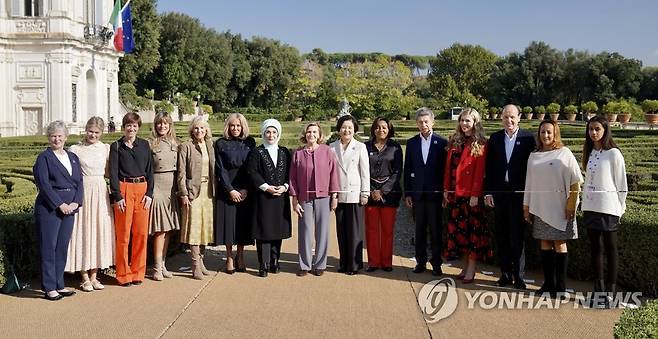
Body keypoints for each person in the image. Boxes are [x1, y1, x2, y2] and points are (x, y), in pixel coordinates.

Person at [523, 120, 583, 297]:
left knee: (560, 244)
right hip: (540, 207)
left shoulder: (564, 153)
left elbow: (575, 181)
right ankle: (548, 284)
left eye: (549, 132)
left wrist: (571, 205)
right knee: (545, 243)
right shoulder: (533, 155)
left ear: (555, 133)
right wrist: (526, 207)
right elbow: (529, 182)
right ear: (538, 134)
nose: (546, 135)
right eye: (543, 132)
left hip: (561, 208)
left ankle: (561, 287)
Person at [484, 104, 535, 289]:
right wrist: (488, 191)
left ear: (519, 117)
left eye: (512, 117)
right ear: (502, 118)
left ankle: (519, 276)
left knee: (517, 236)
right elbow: (489, 167)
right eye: (506, 117)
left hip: (519, 195)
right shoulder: (496, 138)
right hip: (499, 195)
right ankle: (505, 275)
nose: (509, 121)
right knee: (502, 236)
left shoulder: (529, 138)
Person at [33, 120, 83, 300]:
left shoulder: (73, 157)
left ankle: (59, 284)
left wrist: (76, 203)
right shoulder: (43, 158)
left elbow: (79, 183)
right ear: (48, 138)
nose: (57, 139)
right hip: (50, 210)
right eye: (53, 136)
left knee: (61, 247)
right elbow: (44, 185)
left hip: (70, 209)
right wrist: (59, 205)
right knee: (49, 247)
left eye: (60, 136)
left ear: (66, 137)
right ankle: (49, 287)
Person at [581, 116, 627, 306]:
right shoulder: (590, 152)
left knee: (611, 248)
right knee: (595, 249)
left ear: (605, 130)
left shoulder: (614, 154)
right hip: (591, 207)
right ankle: (598, 290)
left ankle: (611, 291)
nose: (593, 132)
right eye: (591, 129)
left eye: (597, 129)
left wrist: (619, 207)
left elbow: (621, 183)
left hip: (609, 208)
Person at [442, 108, 492, 283]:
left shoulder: (481, 143)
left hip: (471, 196)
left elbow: (480, 172)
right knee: (459, 233)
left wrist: (475, 194)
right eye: (462, 120)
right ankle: (465, 266)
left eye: (468, 121)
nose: (464, 124)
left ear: (475, 123)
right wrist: (446, 190)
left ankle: (471, 269)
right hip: (456, 194)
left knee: (472, 234)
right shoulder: (455, 140)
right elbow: (448, 168)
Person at [65, 117, 114, 292]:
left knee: (98, 231)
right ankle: (84, 276)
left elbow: (109, 173)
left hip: (100, 192)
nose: (92, 135)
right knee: (83, 230)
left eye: (96, 132)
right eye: (90, 131)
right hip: (83, 192)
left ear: (101, 133)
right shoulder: (75, 149)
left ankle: (94, 276)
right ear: (85, 130)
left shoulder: (105, 149)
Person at [109, 112, 154, 286]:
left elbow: (150, 170)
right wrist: (117, 196)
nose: (131, 128)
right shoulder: (116, 146)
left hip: (142, 189)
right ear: (124, 127)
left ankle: (137, 272)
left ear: (138, 127)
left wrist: (149, 193)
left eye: (134, 126)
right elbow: (113, 172)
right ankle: (123, 274)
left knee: (141, 234)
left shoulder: (144, 145)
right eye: (128, 125)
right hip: (124, 189)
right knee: (123, 235)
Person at [289, 122, 339, 277]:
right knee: (305, 231)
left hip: (323, 197)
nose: (311, 134)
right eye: (309, 132)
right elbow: (293, 178)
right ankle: (304, 264)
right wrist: (294, 199)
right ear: (305, 134)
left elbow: (333, 174)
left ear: (319, 134)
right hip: (304, 197)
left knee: (322, 231)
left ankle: (320, 264)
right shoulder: (298, 154)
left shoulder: (327, 151)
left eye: (314, 132)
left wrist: (335, 196)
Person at [403, 107, 447, 276]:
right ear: (417, 124)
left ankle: (436, 264)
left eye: (426, 121)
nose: (423, 125)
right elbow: (408, 169)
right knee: (419, 230)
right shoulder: (412, 142)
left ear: (432, 122)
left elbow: (445, 170)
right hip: (418, 195)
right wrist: (408, 193)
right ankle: (420, 262)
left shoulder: (442, 142)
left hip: (435, 195)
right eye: (420, 122)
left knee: (436, 231)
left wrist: (444, 193)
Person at [247, 119, 292, 277]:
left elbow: (290, 173)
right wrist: (266, 187)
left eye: (274, 132)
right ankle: (263, 264)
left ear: (278, 134)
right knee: (264, 231)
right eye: (268, 132)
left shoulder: (285, 152)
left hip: (280, 197)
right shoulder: (256, 152)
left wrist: (285, 186)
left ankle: (275, 261)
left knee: (277, 231)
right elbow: (252, 172)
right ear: (263, 133)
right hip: (263, 198)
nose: (271, 135)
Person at [214, 113, 255, 274]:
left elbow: (251, 167)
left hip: (245, 188)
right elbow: (220, 168)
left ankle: (241, 254)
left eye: (238, 125)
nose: (235, 128)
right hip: (227, 189)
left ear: (243, 126)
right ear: (228, 127)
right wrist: (230, 189)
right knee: (228, 224)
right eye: (232, 125)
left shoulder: (250, 142)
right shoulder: (221, 143)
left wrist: (245, 188)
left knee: (242, 224)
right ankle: (230, 256)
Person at [330, 115, 370, 275]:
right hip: (338, 194)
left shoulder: (360, 147)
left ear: (354, 130)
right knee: (341, 231)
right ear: (339, 129)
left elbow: (365, 172)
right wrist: (332, 195)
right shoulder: (331, 147)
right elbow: (330, 173)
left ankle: (354, 264)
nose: (346, 130)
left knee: (355, 231)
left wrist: (365, 193)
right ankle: (343, 262)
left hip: (355, 193)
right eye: (344, 127)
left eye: (350, 128)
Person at [177, 117, 215, 280]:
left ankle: (201, 261)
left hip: (209, 192)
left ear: (206, 130)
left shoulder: (210, 146)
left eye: (202, 128)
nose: (199, 131)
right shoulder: (186, 146)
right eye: (196, 128)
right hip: (193, 192)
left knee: (206, 228)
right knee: (194, 228)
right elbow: (181, 172)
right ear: (192, 130)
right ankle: (194, 265)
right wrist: (183, 193)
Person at [364, 117, 402, 272]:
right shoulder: (365, 147)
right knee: (371, 230)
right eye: (378, 127)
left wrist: (383, 190)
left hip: (390, 194)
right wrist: (373, 189)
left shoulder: (396, 147)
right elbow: (362, 170)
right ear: (374, 129)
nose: (381, 130)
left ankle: (386, 262)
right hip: (370, 191)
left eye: (384, 127)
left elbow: (398, 172)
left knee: (387, 230)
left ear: (389, 129)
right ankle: (373, 262)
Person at [148, 112, 181, 281]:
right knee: (160, 230)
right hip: (158, 187)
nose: (162, 126)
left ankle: (163, 264)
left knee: (168, 230)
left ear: (170, 125)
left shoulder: (176, 143)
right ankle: (156, 267)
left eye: (166, 123)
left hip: (172, 188)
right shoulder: (150, 143)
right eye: (160, 123)